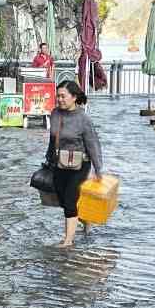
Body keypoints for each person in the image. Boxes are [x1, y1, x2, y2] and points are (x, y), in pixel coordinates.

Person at [46, 80, 104, 247]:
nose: (59, 99)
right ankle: (85, 219)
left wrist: (98, 169)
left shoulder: (83, 119)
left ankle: (68, 241)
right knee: (63, 200)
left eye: (63, 96)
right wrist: (49, 159)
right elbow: (52, 139)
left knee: (70, 200)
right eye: (58, 96)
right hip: (59, 163)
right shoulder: (55, 114)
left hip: (80, 165)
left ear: (74, 97)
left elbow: (93, 144)